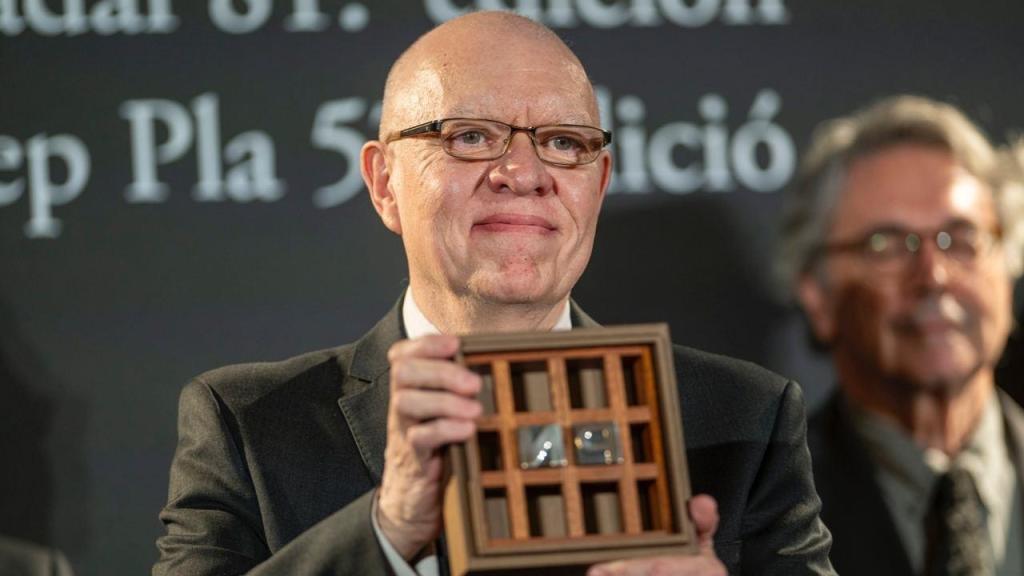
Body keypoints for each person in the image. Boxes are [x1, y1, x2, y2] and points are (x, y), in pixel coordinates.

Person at [154, 11, 833, 576]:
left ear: (596, 187)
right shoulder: (248, 424)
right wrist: (387, 534)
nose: (523, 172)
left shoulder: (746, 419)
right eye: (471, 136)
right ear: (385, 182)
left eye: (564, 142)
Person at [779, 95, 1024, 575]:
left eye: (961, 237)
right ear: (818, 295)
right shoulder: (769, 505)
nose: (933, 275)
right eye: (886, 245)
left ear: (1008, 266)